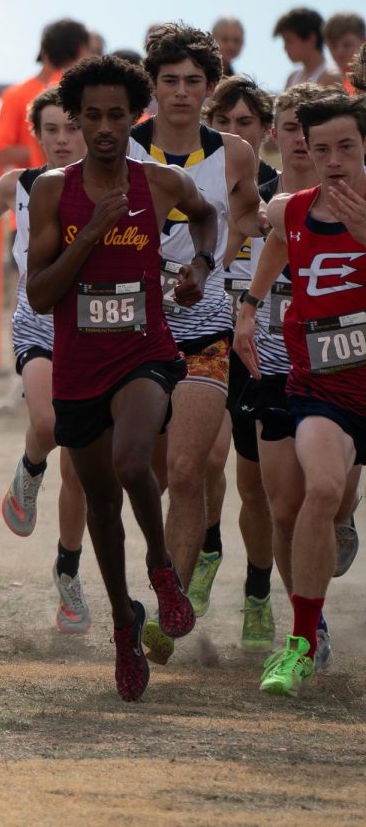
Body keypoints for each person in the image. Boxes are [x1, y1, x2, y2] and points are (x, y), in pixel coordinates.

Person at [26, 54, 216, 701]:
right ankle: (121, 627)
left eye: (117, 115)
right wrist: (91, 235)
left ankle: (162, 570)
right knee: (102, 505)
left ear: (138, 116)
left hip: (145, 352)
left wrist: (200, 265)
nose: (105, 128)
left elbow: (207, 215)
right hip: (78, 368)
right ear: (75, 119)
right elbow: (43, 293)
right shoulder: (54, 190)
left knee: (136, 463)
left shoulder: (158, 183)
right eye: (93, 116)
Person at [126, 22, 266, 665]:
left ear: (209, 89)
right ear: (152, 87)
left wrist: (214, 265)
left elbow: (242, 219)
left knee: (187, 470)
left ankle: (167, 608)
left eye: (193, 82)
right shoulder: (121, 150)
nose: (181, 93)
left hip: (204, 324)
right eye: (170, 81)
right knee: (135, 474)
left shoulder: (234, 154)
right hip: (129, 328)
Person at [233, 91, 366, 697]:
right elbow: (280, 248)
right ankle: (302, 643)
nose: (334, 159)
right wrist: (250, 309)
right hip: (322, 390)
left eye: (346, 147)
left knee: (335, 501)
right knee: (322, 488)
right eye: (322, 149)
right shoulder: (290, 209)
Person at [0, 86, 91, 633]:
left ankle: (68, 571)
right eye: (51, 130)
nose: (62, 140)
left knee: (83, 463)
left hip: (96, 327)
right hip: (38, 317)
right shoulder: (18, 185)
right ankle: (29, 470)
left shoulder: (118, 189)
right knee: (47, 421)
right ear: (36, 136)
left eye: (71, 128)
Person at [189, 76, 277, 635]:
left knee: (256, 486)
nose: (233, 132)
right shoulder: (192, 186)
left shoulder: (279, 190)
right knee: (202, 458)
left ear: (264, 131)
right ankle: (208, 549)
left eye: (245, 123)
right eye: (222, 123)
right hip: (210, 333)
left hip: (264, 348)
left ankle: (258, 594)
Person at [0, 19, 90, 176]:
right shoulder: (86, 91)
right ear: (81, 50)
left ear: (44, 51)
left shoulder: (15, 94)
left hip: (33, 189)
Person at [274, 8, 341, 89]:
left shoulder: (332, 77)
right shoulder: (292, 78)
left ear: (311, 39)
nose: (285, 47)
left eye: (289, 41)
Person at [323, 12, 365, 94]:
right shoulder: (333, 83)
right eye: (333, 46)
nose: (339, 52)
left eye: (347, 45)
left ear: (363, 42)